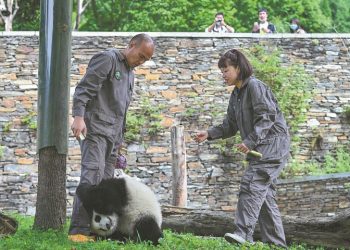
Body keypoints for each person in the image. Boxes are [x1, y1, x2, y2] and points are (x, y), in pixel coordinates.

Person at [194, 49, 290, 248]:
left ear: (238, 68)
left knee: (252, 183)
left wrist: (250, 141)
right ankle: (277, 245)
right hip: (260, 148)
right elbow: (230, 125)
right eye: (222, 71)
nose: (223, 75)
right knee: (264, 198)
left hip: (272, 145)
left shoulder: (255, 86)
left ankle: (243, 233)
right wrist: (209, 133)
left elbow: (267, 117)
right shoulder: (236, 95)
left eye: (226, 70)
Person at [68, 33, 155, 243]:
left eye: (146, 60)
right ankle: (78, 231)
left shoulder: (130, 73)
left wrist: (119, 141)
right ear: (132, 45)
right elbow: (83, 89)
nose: (141, 62)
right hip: (95, 130)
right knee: (91, 178)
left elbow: (122, 111)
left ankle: (99, 231)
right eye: (141, 56)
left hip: (113, 137)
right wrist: (78, 117)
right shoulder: (108, 59)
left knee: (107, 187)